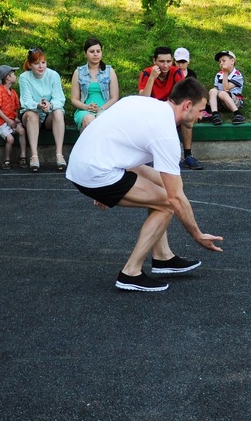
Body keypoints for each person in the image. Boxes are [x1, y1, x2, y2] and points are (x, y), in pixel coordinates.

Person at [65, 78, 223, 293]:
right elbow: (175, 197)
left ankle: (163, 257)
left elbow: (109, 132)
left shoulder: (144, 103)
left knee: (161, 187)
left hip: (87, 162)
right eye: (200, 110)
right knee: (168, 202)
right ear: (187, 105)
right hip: (96, 171)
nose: (200, 116)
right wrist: (198, 235)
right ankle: (130, 272)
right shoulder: (165, 133)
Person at [140, 46, 202, 170]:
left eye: (168, 61)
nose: (165, 65)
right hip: (152, 110)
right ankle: (147, 158)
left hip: (171, 108)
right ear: (154, 61)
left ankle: (188, 155)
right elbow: (143, 98)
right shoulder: (147, 73)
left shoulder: (176, 72)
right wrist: (152, 78)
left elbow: (184, 95)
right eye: (162, 61)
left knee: (186, 115)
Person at [19, 46, 66, 172]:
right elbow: (26, 101)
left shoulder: (53, 75)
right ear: (29, 65)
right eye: (36, 63)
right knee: (31, 114)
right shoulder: (24, 77)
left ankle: (59, 155)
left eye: (43, 62)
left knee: (58, 112)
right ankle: (34, 156)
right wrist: (38, 105)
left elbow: (60, 99)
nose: (41, 66)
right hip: (32, 114)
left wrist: (50, 105)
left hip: (49, 113)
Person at [70, 37, 120, 131]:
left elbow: (114, 98)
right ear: (85, 54)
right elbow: (74, 99)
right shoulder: (78, 72)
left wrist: (100, 109)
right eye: (92, 51)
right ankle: (87, 145)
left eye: (98, 51)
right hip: (85, 110)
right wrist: (87, 107)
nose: (95, 54)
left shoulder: (109, 71)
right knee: (89, 119)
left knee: (101, 118)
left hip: (105, 109)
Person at [0, 64, 26, 169]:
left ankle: (23, 156)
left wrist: (15, 118)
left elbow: (15, 108)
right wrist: (7, 120)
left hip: (11, 121)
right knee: (10, 139)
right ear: (7, 77)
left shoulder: (13, 92)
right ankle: (6, 160)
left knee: (22, 131)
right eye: (13, 74)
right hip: (1, 122)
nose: (16, 76)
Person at [208, 50, 245, 125]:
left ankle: (237, 114)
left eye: (224, 61)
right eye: (220, 62)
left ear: (232, 61)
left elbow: (226, 89)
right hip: (221, 102)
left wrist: (225, 72)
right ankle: (215, 114)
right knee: (212, 91)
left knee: (222, 93)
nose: (221, 63)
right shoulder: (219, 74)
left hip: (234, 101)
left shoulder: (237, 75)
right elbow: (216, 88)